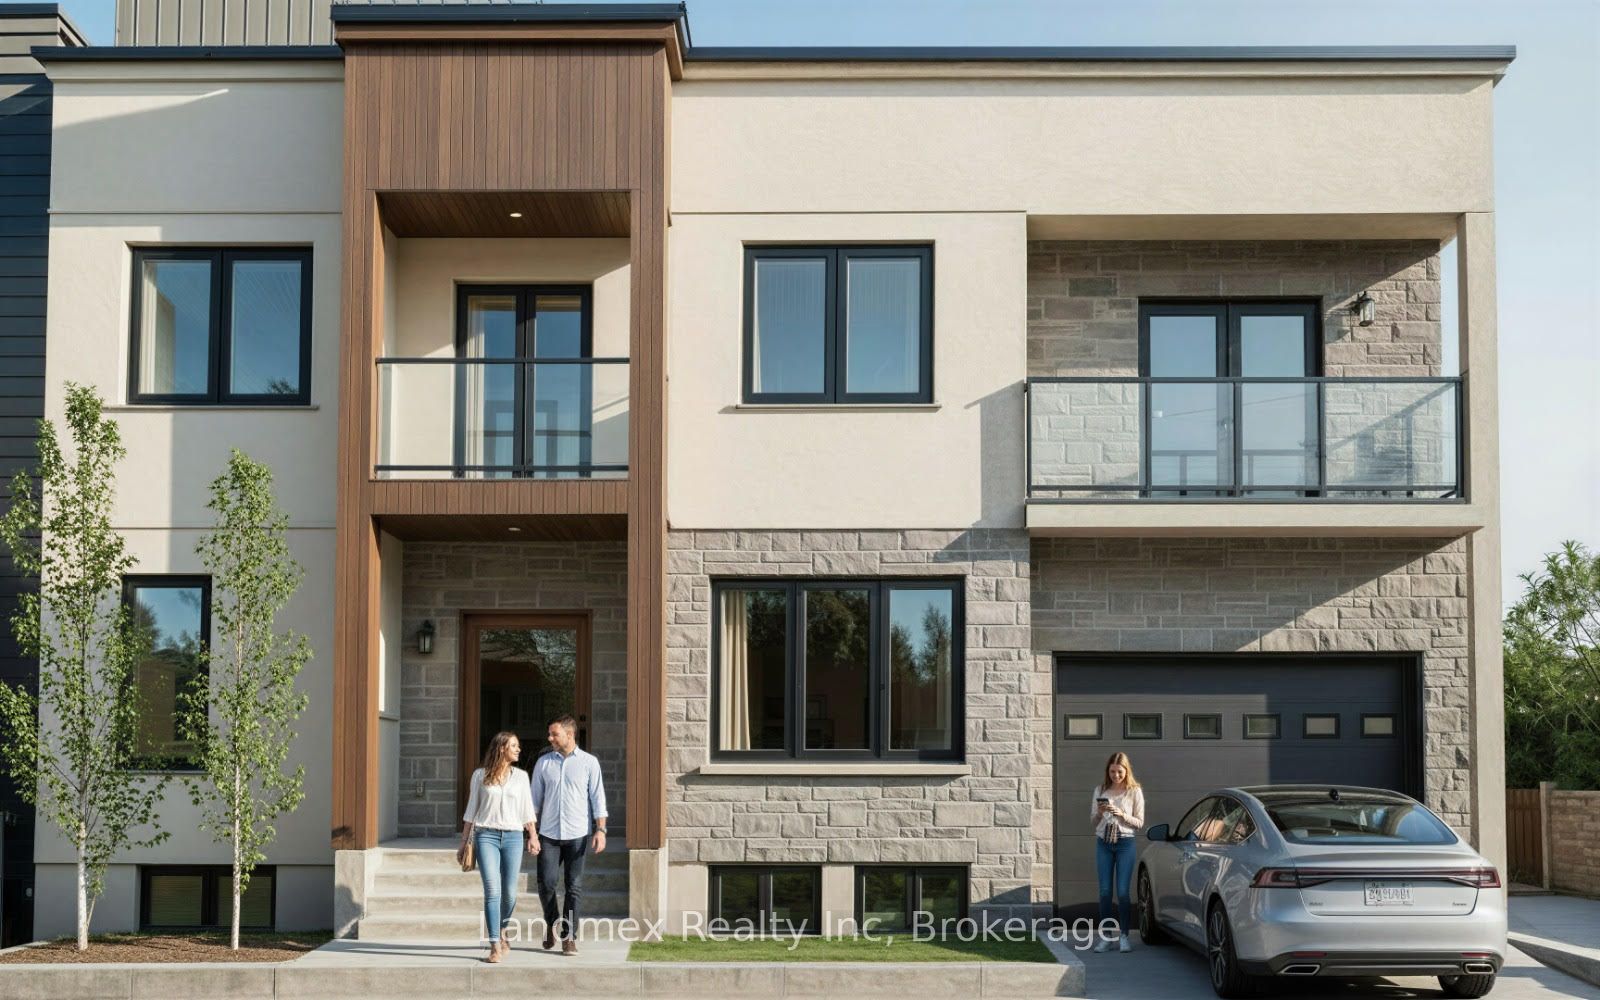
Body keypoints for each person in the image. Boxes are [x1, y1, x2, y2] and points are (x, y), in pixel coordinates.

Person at [530, 714, 608, 956]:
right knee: (546, 884)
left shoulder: (589, 763)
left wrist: (601, 830)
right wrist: (532, 834)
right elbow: (533, 802)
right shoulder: (543, 763)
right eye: (549, 734)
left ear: (570, 734)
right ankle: (552, 922)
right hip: (549, 834)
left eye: (554, 734)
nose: (550, 738)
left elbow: (598, 798)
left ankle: (569, 936)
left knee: (574, 887)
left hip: (577, 834)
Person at [460, 730, 539, 963]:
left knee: (510, 893)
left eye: (518, 745)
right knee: (493, 890)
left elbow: (527, 809)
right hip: (486, 836)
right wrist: (463, 842)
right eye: (513, 745)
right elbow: (471, 810)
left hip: (514, 837)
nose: (518, 749)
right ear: (501, 748)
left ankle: (503, 929)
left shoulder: (521, 777)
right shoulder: (480, 775)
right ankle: (494, 943)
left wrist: (533, 836)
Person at [1091, 751, 1145, 953]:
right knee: (1105, 892)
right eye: (1112, 771)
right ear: (1108, 771)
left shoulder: (1134, 791)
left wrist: (1122, 814)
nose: (1116, 775)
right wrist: (1100, 813)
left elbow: (1139, 822)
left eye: (1119, 772)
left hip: (1125, 843)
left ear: (1126, 770)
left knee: (1122, 892)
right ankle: (1106, 937)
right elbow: (1093, 822)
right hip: (1104, 842)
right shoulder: (1100, 790)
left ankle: (1124, 936)